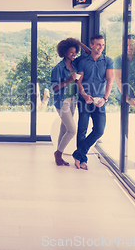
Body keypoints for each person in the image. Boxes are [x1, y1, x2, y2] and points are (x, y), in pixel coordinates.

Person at [73, 34, 114, 170]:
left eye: (102, 44)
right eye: (98, 44)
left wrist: (105, 98)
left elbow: (110, 81)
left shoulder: (108, 61)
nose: (101, 47)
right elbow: (79, 81)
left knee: (99, 130)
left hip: (99, 101)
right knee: (82, 129)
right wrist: (84, 95)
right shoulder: (83, 62)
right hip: (84, 100)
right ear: (92, 45)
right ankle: (82, 160)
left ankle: (78, 154)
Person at [50, 38, 86, 166]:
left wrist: (78, 42)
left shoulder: (75, 64)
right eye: (71, 52)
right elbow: (53, 88)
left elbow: (88, 53)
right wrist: (68, 80)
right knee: (71, 130)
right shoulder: (58, 68)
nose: (74, 54)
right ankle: (58, 154)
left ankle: (58, 156)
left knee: (64, 128)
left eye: (75, 52)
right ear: (64, 52)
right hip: (62, 101)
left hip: (73, 100)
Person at [113, 34, 135, 106]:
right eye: (126, 45)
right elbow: (118, 81)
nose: (129, 47)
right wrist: (128, 99)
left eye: (132, 45)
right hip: (122, 100)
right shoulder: (118, 60)